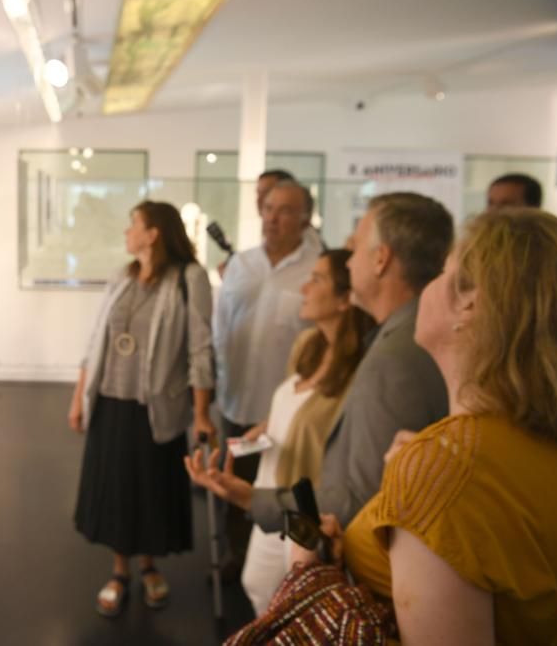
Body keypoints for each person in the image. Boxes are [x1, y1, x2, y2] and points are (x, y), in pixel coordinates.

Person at [289, 209, 557, 644]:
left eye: (442, 272)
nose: (426, 288)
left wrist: (310, 573)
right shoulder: (516, 446)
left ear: (469, 302)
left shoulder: (442, 471)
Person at [191, 192, 453, 534]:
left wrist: (253, 499)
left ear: (381, 260)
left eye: (355, 248)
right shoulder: (405, 336)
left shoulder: (394, 360)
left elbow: (362, 499)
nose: (347, 262)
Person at [69, 200, 216, 617]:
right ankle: (119, 570)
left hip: (156, 408)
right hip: (111, 404)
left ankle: (149, 565)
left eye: (133, 223)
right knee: (115, 490)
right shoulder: (121, 276)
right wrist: (78, 398)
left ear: (153, 233)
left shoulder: (189, 279)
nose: (126, 231)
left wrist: (202, 413)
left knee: (150, 489)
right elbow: (95, 339)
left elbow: (201, 351)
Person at [239, 249, 376, 613]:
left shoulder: (361, 371)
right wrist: (267, 427)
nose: (304, 288)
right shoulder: (308, 345)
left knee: (296, 607)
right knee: (257, 585)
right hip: (272, 489)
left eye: (316, 280)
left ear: (346, 299)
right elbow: (296, 408)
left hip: (308, 507)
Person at [212, 180, 321, 580]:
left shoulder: (316, 272)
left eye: (286, 210)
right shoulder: (241, 264)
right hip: (237, 405)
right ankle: (234, 560)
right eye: (269, 208)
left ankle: (287, 575)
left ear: (306, 218)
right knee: (232, 488)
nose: (273, 218)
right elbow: (220, 330)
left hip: (288, 417)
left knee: (283, 491)